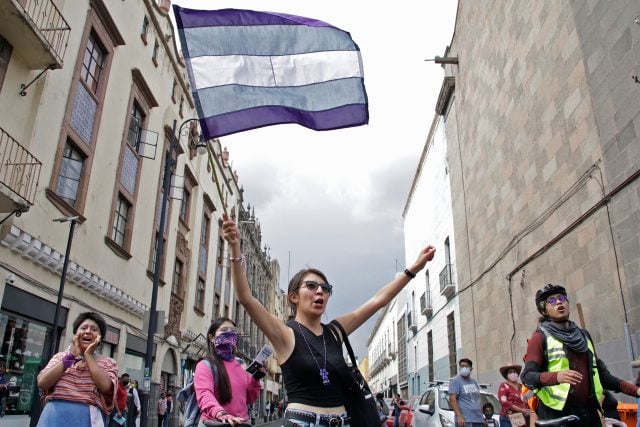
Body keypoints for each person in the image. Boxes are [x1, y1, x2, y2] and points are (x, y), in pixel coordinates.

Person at [222, 214, 435, 426]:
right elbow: (246, 298)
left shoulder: (334, 332)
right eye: (312, 286)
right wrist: (235, 249)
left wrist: (413, 269)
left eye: (325, 289)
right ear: (293, 297)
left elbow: (378, 300)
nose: (320, 292)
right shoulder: (285, 334)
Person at [521, 284, 640, 426]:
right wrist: (556, 376)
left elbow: (603, 376)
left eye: (561, 298)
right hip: (556, 414)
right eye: (551, 301)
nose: (558, 302)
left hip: (588, 412)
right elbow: (527, 376)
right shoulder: (539, 337)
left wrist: (636, 390)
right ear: (544, 310)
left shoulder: (584, 336)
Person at [36, 311, 118, 426]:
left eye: (94, 329)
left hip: (86, 420)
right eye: (83, 328)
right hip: (53, 418)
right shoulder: (60, 357)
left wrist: (88, 355)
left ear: (100, 337)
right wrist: (70, 357)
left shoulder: (108, 362)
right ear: (75, 334)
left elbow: (105, 387)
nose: (88, 331)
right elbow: (42, 382)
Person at [194, 317, 262, 424]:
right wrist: (221, 413)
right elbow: (204, 394)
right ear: (211, 337)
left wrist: (256, 379)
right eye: (224, 330)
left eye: (233, 331)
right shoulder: (205, 365)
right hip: (216, 423)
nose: (229, 334)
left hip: (241, 423)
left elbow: (249, 399)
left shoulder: (241, 364)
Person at [449, 358, 484, 427]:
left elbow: (478, 399)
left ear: (471, 369)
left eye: (466, 366)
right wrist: (459, 416)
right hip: (465, 420)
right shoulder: (455, 381)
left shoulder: (474, 382)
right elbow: (452, 399)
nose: (464, 368)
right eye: (462, 366)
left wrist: (482, 417)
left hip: (478, 419)